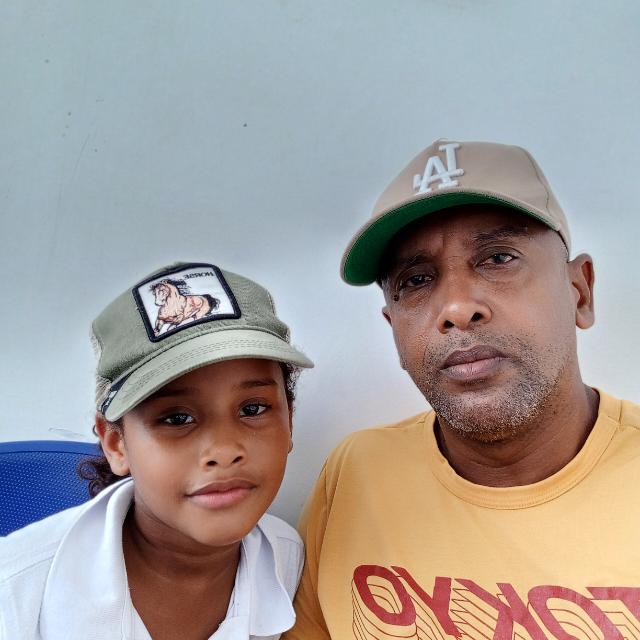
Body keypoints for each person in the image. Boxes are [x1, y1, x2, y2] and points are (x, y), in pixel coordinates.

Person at [285, 140, 640, 640]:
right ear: (393, 327)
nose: (456, 308)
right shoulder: (357, 475)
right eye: (415, 280)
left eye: (498, 258)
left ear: (580, 292)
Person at [0, 261, 313, 640]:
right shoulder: (14, 596)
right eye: (177, 418)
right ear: (116, 443)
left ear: (289, 420)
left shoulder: (289, 561)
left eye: (253, 409)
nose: (224, 450)